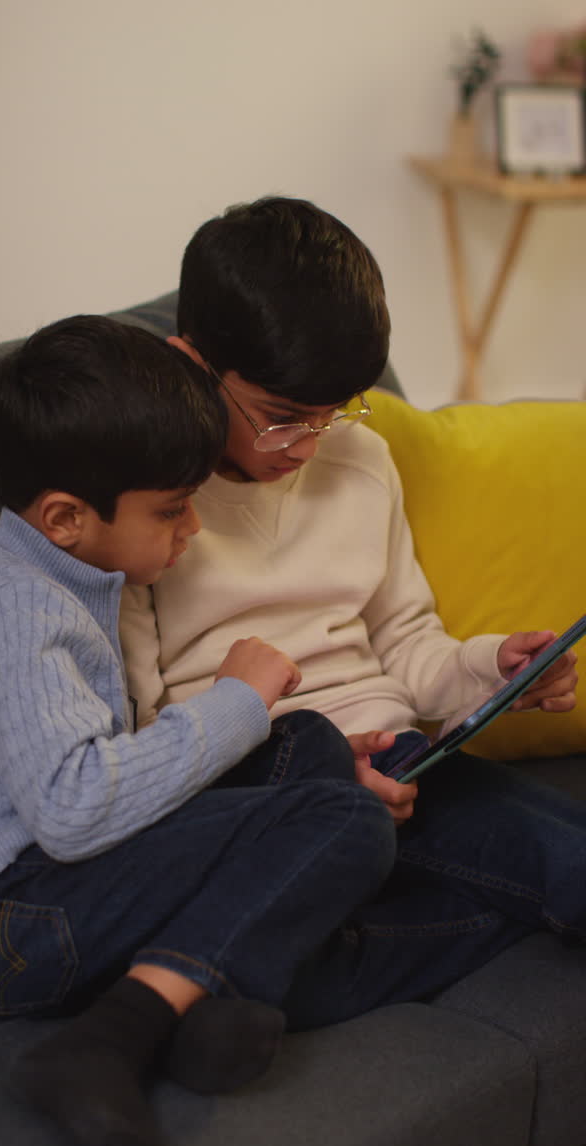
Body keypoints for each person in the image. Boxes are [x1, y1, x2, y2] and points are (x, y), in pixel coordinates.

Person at [0, 314, 402, 1146]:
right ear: (67, 519)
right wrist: (236, 701)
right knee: (341, 818)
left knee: (305, 747)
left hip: (28, 888)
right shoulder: (5, 600)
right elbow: (74, 809)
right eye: (170, 508)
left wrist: (261, 730)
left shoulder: (60, 578)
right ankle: (114, 1038)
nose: (191, 529)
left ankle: (196, 1014)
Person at [119, 195, 586, 1031]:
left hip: (406, 766)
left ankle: (246, 986)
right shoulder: (137, 511)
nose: (308, 446)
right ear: (191, 362)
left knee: (559, 845)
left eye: (336, 413)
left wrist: (492, 668)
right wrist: (316, 789)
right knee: (554, 868)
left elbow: (406, 644)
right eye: (283, 420)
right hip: (262, 791)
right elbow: (141, 731)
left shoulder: (359, 460)